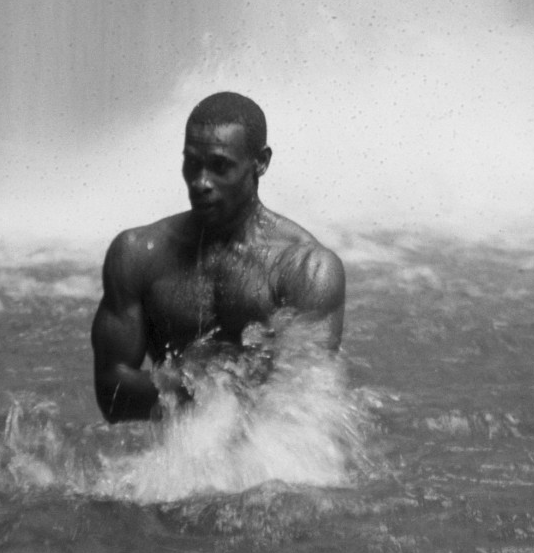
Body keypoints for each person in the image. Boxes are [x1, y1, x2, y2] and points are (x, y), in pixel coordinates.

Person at [91, 91, 345, 422]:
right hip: (172, 461)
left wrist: (200, 393)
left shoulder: (306, 270)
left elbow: (300, 407)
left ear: (261, 162)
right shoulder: (137, 254)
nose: (201, 182)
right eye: (192, 163)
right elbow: (112, 395)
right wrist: (202, 393)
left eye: (219, 166)